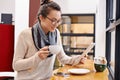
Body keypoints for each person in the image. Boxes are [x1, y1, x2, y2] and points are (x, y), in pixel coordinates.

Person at [12, 0, 87, 80]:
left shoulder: (56, 33)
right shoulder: (25, 35)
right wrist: (37, 57)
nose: (56, 24)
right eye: (53, 20)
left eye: (58, 21)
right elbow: (16, 65)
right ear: (41, 18)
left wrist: (77, 58)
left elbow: (63, 58)